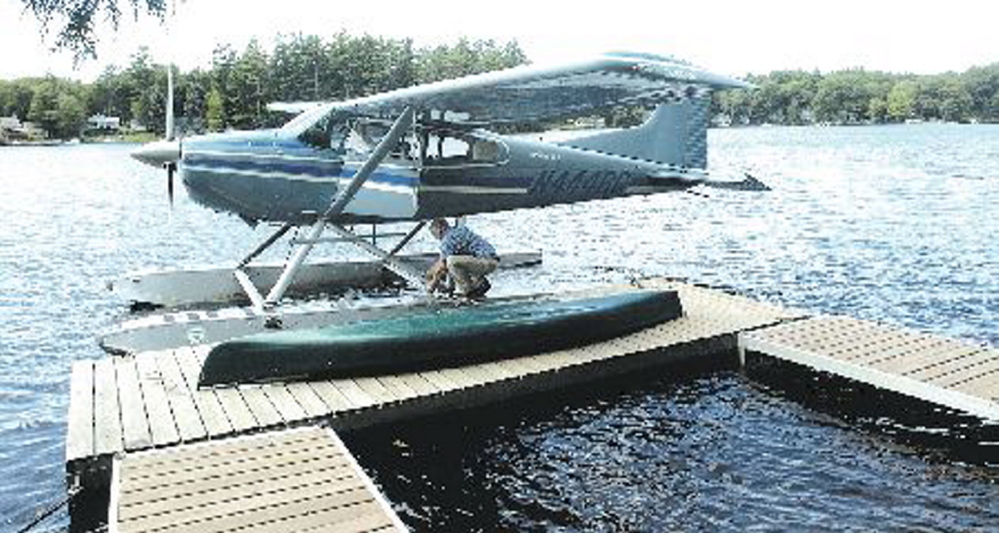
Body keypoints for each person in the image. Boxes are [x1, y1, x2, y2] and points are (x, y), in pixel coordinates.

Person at [426, 218, 499, 298]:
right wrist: (449, 288)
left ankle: (467, 291)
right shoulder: (457, 231)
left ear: (441, 228)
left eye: (433, 231)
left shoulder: (448, 238)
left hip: (485, 261)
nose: (433, 235)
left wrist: (431, 288)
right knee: (454, 263)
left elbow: (442, 267)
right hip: (490, 261)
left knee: (451, 261)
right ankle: (478, 283)